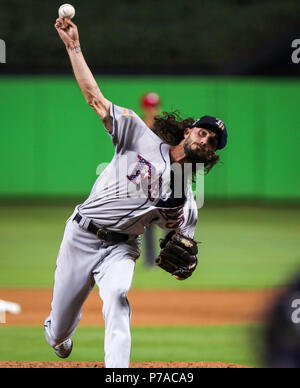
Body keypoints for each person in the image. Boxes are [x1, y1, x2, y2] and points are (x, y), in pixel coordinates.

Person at [44, 17, 228, 368]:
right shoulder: (138, 134)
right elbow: (95, 99)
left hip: (122, 246)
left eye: (213, 142)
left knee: (117, 295)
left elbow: (182, 259)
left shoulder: (188, 201)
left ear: (210, 155)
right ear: (189, 131)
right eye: (203, 132)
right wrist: (73, 46)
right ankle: (59, 333)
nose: (205, 140)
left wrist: (184, 265)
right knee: (58, 333)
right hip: (81, 234)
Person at [140, 92, 161, 267]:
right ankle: (149, 260)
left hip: (165, 178)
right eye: (149, 106)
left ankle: (170, 259)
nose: (152, 109)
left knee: (172, 218)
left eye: (154, 105)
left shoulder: (164, 127)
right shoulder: (140, 126)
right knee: (146, 221)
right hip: (147, 179)